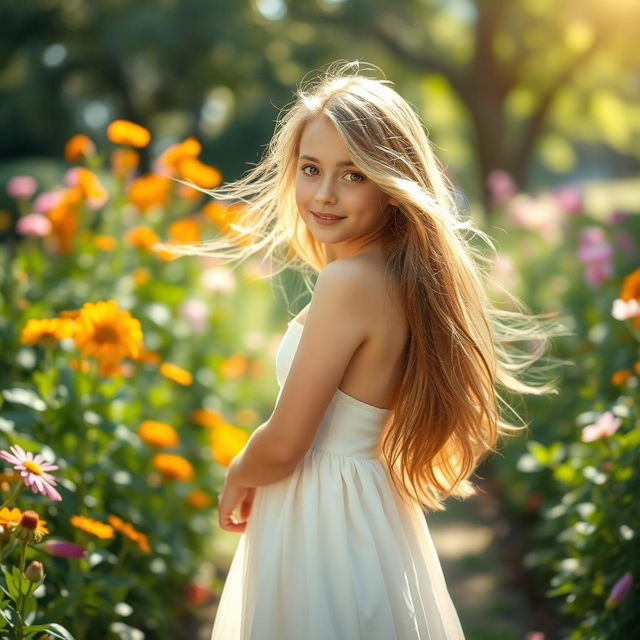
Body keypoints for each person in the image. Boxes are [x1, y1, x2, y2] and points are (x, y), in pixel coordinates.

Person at [155, 60, 569, 639]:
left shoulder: (349, 283)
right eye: (310, 169)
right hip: (361, 510)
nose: (324, 194)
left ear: (392, 182)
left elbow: (287, 440)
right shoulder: (392, 275)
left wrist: (240, 470)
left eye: (353, 175)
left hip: (324, 513)